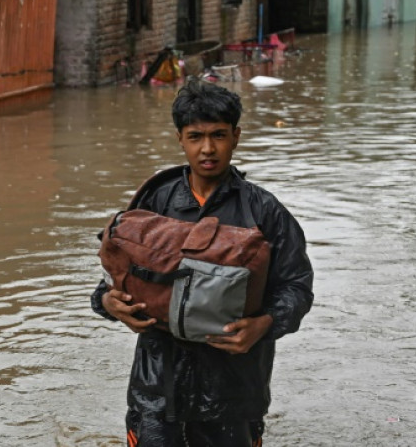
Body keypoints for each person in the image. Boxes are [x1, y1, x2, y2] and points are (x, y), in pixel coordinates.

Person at [91, 77, 314, 447]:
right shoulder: (154, 202)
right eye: (195, 136)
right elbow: (113, 278)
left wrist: (265, 323)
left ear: (236, 136)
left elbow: (297, 287)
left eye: (219, 135)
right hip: (155, 385)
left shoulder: (265, 211)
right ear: (180, 139)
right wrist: (107, 302)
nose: (207, 148)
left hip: (233, 390)